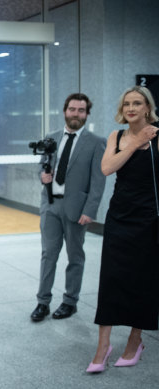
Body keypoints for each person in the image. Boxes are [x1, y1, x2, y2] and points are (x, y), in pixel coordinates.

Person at [86, 86, 159, 373]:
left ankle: (135, 339)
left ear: (147, 108)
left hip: (148, 219)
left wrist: (145, 138)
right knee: (111, 279)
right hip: (119, 218)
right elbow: (107, 169)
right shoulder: (116, 137)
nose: (131, 108)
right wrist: (134, 141)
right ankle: (103, 346)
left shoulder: (157, 136)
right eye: (127, 103)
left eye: (137, 103)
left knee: (144, 281)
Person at [30, 93, 106, 322]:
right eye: (72, 109)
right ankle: (42, 302)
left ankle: (70, 302)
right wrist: (41, 176)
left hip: (76, 209)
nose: (76, 114)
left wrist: (90, 211)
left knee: (75, 257)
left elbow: (98, 181)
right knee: (48, 255)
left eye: (81, 110)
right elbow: (42, 167)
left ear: (87, 114)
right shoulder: (51, 137)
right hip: (51, 206)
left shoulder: (95, 142)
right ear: (65, 111)